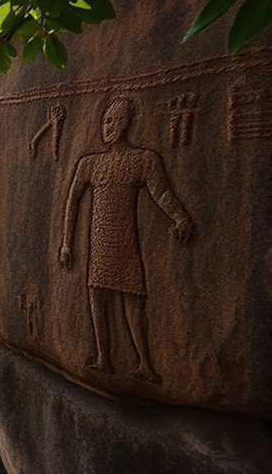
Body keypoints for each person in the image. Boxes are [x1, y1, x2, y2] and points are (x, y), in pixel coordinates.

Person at [60, 97, 193, 384]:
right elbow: (72, 202)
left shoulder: (143, 160)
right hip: (99, 240)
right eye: (106, 121)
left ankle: (145, 362)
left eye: (114, 121)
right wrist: (66, 242)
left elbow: (163, 195)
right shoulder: (90, 163)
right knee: (97, 295)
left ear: (126, 123)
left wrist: (180, 218)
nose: (108, 126)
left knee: (132, 300)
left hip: (124, 240)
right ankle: (103, 357)